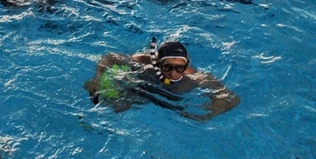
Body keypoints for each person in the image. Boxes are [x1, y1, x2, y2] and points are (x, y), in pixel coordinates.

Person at [85, 39, 239, 120]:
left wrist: (206, 115)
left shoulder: (197, 78)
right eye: (167, 67)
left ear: (186, 65)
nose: (173, 73)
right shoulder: (145, 65)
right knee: (119, 107)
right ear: (158, 64)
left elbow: (230, 99)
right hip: (144, 88)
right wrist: (97, 80)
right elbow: (109, 58)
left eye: (180, 67)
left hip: (170, 100)